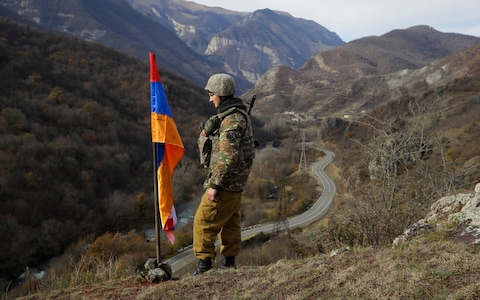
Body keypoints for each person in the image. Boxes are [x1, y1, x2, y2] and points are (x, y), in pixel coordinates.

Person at [192, 73, 256, 275]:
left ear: (221, 94)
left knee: (203, 221)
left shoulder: (231, 120)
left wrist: (215, 185)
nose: (210, 99)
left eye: (212, 94)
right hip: (235, 182)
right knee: (229, 222)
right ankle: (229, 263)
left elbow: (228, 156)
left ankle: (204, 266)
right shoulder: (233, 115)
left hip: (225, 183)